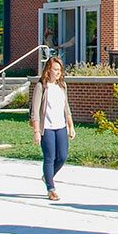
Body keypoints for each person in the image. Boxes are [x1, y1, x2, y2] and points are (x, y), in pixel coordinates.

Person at [30, 56, 76, 201]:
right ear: (48, 70)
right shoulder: (41, 87)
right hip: (47, 128)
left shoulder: (62, 86)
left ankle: (47, 177)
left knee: (62, 157)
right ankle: (51, 189)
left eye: (60, 70)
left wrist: (71, 126)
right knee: (49, 158)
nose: (58, 73)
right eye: (56, 69)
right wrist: (37, 131)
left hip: (60, 126)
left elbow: (66, 108)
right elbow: (35, 111)